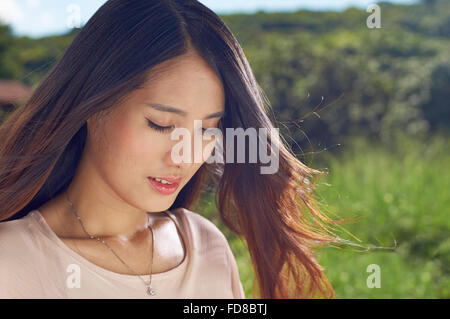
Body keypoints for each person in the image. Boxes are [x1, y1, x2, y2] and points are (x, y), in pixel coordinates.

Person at [0, 0, 342, 299]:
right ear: (92, 106)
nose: (186, 155)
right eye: (162, 124)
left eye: (208, 129)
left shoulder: (206, 247)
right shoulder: (12, 262)